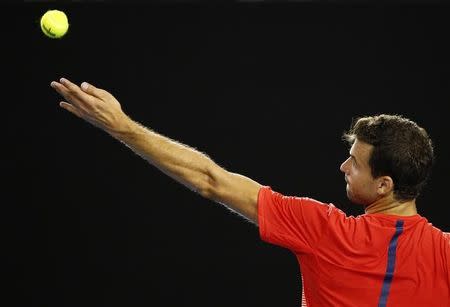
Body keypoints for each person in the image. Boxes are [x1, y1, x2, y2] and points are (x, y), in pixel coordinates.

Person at [50, 77, 449, 307]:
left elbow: (211, 179)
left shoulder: (325, 231)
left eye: (355, 162)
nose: (344, 166)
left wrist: (120, 125)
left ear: (385, 185)